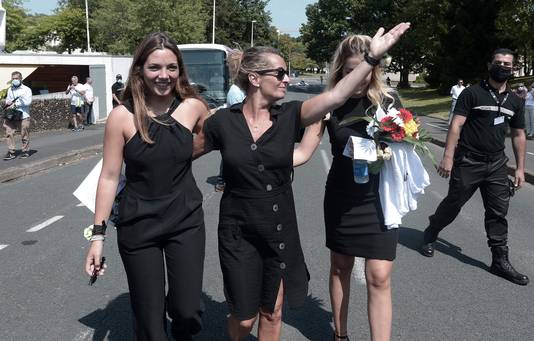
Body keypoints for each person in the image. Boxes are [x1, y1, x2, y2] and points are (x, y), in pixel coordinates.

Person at [194, 23, 410, 341]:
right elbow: (178, 154)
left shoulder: (294, 114)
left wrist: (373, 61)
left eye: (287, 73)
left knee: (276, 311)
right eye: (280, 73)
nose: (287, 79)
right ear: (255, 79)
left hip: (309, 218)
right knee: (243, 318)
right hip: (251, 224)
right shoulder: (225, 122)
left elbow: (339, 98)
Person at [84, 32, 209, 340]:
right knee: (150, 323)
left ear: (180, 69)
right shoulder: (121, 117)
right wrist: (97, 238)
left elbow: (223, 140)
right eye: (155, 67)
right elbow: (109, 176)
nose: (163, 76)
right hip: (138, 225)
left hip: (185, 220)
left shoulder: (194, 107)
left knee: (188, 309)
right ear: (139, 69)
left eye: (171, 67)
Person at [420, 48, 529, 286]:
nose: (503, 67)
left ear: (513, 68)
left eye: (508, 64)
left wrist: (520, 168)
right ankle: (432, 231)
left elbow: (519, 135)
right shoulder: (472, 93)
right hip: (469, 161)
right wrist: (448, 157)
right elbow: (456, 125)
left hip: (497, 164)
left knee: (498, 212)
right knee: (454, 203)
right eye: (498, 62)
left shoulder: (515, 101)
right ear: (490, 64)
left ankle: (500, 260)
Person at [323, 35, 405, 341]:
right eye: (349, 71)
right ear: (340, 70)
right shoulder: (332, 102)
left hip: (380, 198)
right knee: (340, 266)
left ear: (374, 68)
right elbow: (304, 143)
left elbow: (408, 146)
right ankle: (340, 335)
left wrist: (396, 145)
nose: (357, 78)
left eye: (363, 70)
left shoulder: (389, 101)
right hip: (343, 197)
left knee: (380, 276)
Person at [3, 71, 32, 160]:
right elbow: (8, 99)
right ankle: (11, 152)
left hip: (23, 115)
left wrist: (16, 104)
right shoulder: (10, 89)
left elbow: (28, 102)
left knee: (24, 133)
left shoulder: (26, 89)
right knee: (8, 132)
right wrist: (8, 102)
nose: (14, 80)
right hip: (11, 114)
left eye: (16, 78)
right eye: (13, 78)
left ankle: (25, 150)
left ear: (20, 79)